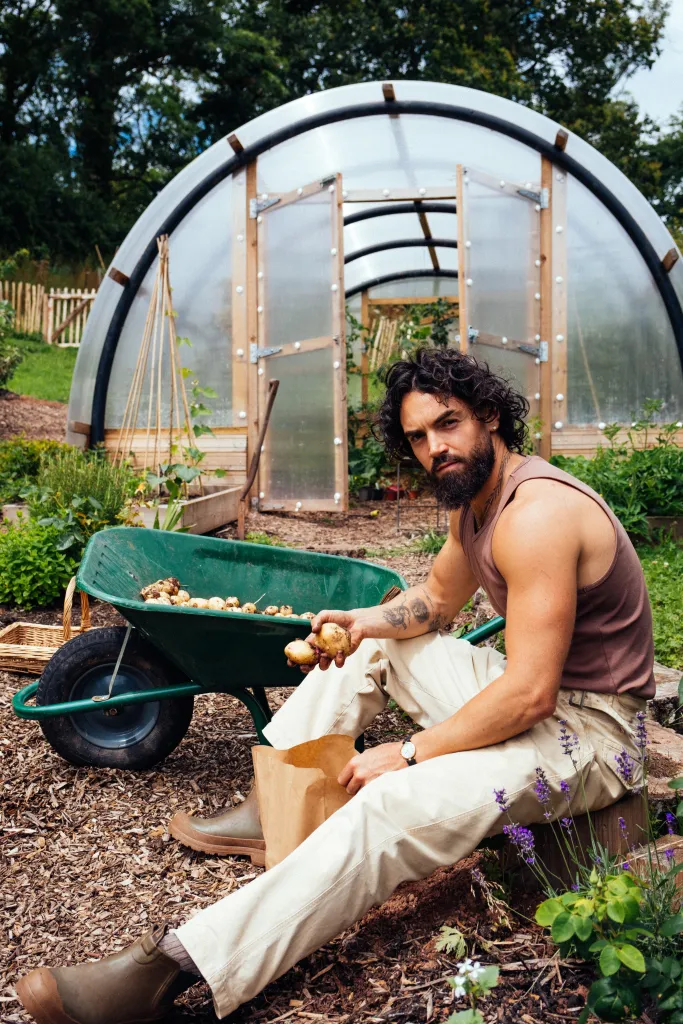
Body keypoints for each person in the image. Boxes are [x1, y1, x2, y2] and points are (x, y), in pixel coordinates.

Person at [16, 348, 653, 1024]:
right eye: (417, 437)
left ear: (488, 416)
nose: (435, 448)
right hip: (544, 704)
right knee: (372, 645)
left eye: (448, 424)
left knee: (390, 804)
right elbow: (435, 602)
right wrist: (360, 622)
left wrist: (408, 753)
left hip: (594, 735)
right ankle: (277, 807)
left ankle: (177, 965)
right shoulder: (473, 502)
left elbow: (529, 695)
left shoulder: (535, 514)